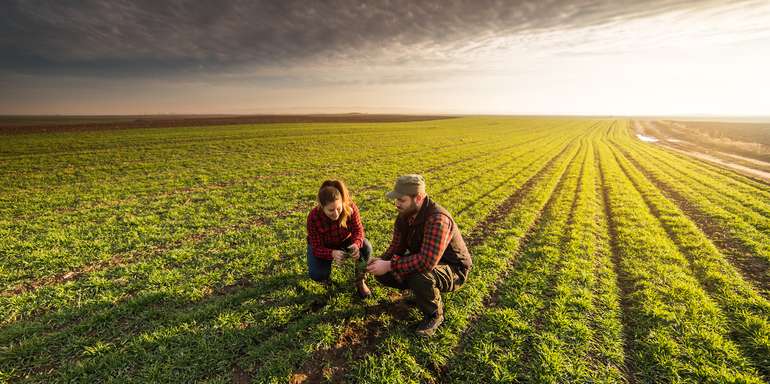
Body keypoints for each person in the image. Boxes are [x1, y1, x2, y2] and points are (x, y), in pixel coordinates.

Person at [366, 174, 472, 336]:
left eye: (402, 200)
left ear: (419, 198)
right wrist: (379, 261)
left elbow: (426, 262)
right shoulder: (404, 217)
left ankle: (434, 315)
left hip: (454, 269)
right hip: (427, 262)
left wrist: (389, 265)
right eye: (396, 199)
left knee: (419, 274)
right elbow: (396, 247)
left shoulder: (438, 219)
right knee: (384, 274)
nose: (397, 204)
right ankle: (420, 294)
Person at [306, 179, 372, 298]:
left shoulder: (350, 207)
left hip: (344, 240)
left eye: (338, 208)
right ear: (321, 206)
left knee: (366, 247)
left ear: (342, 202)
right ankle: (324, 279)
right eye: (331, 210)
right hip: (324, 245)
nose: (336, 214)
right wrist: (331, 253)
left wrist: (356, 244)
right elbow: (316, 247)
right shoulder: (313, 216)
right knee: (317, 274)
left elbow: (358, 230)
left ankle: (360, 281)